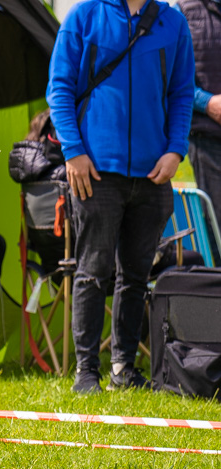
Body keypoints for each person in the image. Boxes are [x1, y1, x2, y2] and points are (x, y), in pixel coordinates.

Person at [47, 0, 194, 394]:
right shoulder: (83, 17)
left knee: (135, 276)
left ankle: (124, 370)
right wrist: (73, 151)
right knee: (92, 272)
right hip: (94, 171)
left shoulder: (173, 22)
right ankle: (86, 373)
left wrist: (175, 149)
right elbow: (58, 89)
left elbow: (182, 94)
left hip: (153, 173)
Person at [177, 0, 221, 248]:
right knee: (217, 229)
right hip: (208, 142)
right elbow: (175, 80)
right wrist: (208, 103)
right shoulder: (182, 12)